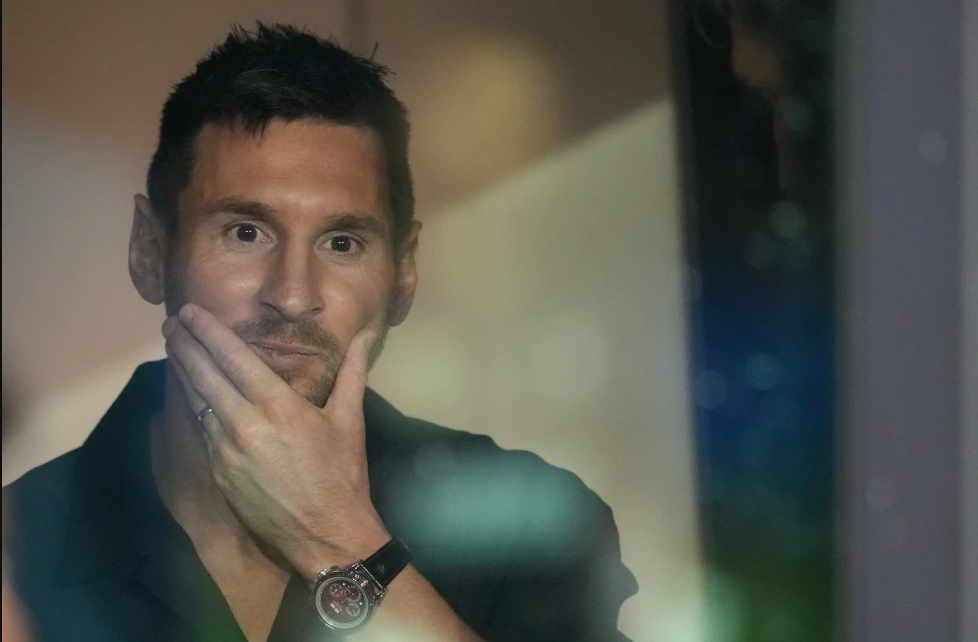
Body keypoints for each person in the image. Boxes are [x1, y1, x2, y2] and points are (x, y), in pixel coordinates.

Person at [5, 23, 637, 642]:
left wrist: (338, 540)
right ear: (149, 250)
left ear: (403, 272)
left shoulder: (530, 525)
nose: (292, 295)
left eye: (342, 243)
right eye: (246, 233)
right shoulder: (17, 543)